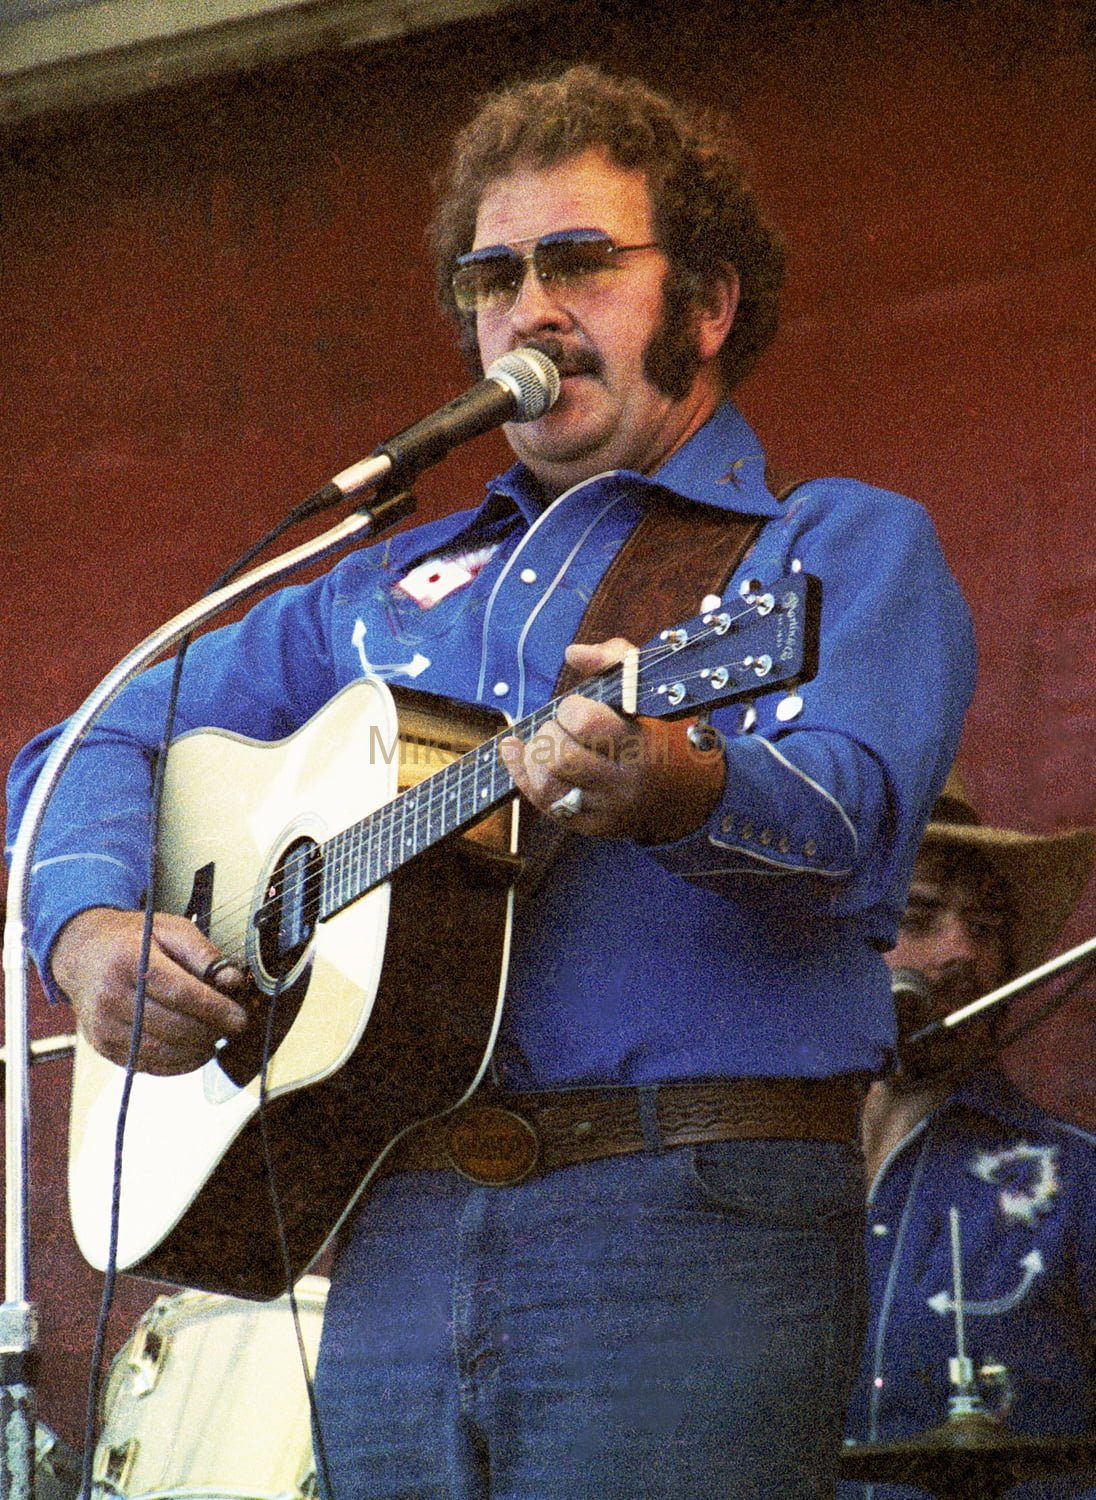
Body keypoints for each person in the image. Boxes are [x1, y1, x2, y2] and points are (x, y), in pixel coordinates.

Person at [6, 65, 976, 1499]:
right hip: (391, 1224)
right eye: (495, 275)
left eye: (581, 261)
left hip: (686, 1218)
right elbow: (81, 741)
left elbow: (853, 820)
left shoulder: (829, 550)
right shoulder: (376, 585)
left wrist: (682, 784)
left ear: (704, 306)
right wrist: (88, 930)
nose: (530, 307)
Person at [844, 772, 1096, 1500]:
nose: (962, 954)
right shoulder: (746, 1174)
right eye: (919, 918)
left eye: (985, 928)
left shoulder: (1074, 1181)